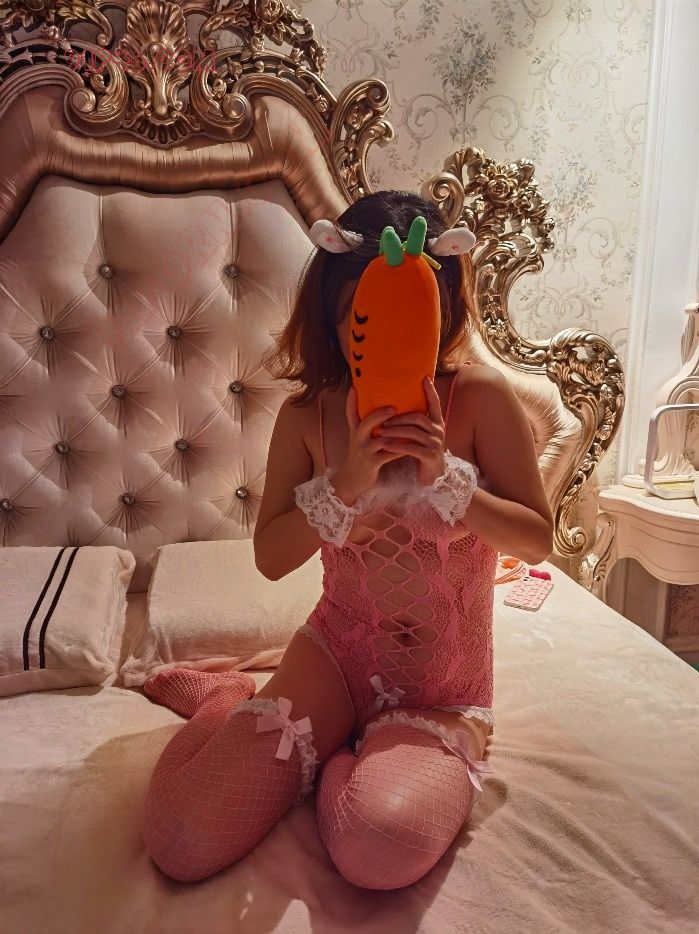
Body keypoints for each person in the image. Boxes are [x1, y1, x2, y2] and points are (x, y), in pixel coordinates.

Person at [141, 189, 554, 888]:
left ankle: (340, 758)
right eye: (358, 314)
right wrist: (346, 483)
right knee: (180, 840)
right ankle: (225, 699)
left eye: (408, 313)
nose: (381, 333)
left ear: (442, 307)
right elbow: (272, 559)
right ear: (333, 315)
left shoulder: (481, 398)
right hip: (334, 658)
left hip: (444, 688)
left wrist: (446, 478)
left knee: (379, 848)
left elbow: (537, 541)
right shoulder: (307, 418)